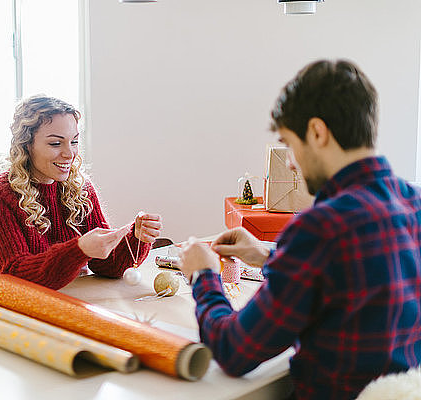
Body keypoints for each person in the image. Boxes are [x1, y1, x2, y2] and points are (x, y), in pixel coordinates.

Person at [179, 59, 421, 399]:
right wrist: (269, 256)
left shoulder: (320, 228)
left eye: (289, 144)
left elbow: (234, 350)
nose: (291, 161)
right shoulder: (413, 202)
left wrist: (202, 276)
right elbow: (355, 273)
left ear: (317, 132)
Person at [0, 95, 162, 291]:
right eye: (55, 143)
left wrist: (136, 237)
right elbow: (14, 276)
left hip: (62, 299)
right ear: (26, 145)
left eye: (74, 141)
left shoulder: (81, 189)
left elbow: (106, 265)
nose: (69, 153)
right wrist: (79, 250)